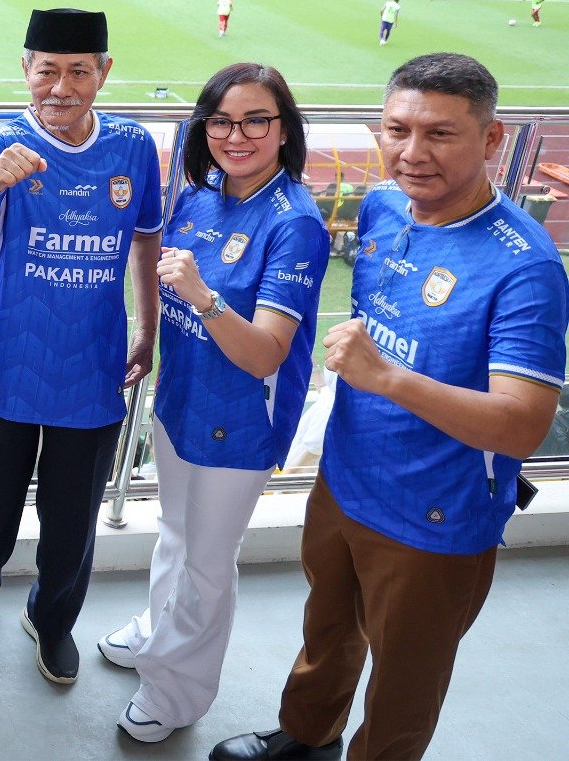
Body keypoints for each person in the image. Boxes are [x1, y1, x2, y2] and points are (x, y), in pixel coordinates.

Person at [210, 53, 568, 761]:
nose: (412, 153)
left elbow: (523, 424)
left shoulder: (524, 267)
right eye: (398, 130)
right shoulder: (381, 205)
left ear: (492, 139)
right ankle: (308, 736)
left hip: (434, 515)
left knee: (405, 680)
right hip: (346, 476)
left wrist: (389, 379)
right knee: (327, 628)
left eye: (440, 133)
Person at [0, 8, 161, 686]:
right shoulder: (1, 141)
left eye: (79, 72)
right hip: (5, 362)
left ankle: (53, 621)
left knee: (71, 521)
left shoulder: (133, 147)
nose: (61, 87)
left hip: (92, 369)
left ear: (104, 73)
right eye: (48, 71)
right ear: (26, 69)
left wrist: (147, 327)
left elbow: (146, 238)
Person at [103, 63, 329, 744]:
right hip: (182, 397)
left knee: (207, 560)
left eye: (257, 120)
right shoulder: (200, 196)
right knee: (175, 531)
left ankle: (177, 691)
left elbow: (265, 354)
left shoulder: (295, 224)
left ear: (284, 129)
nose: (237, 135)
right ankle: (158, 630)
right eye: (222, 121)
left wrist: (203, 296)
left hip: (242, 418)